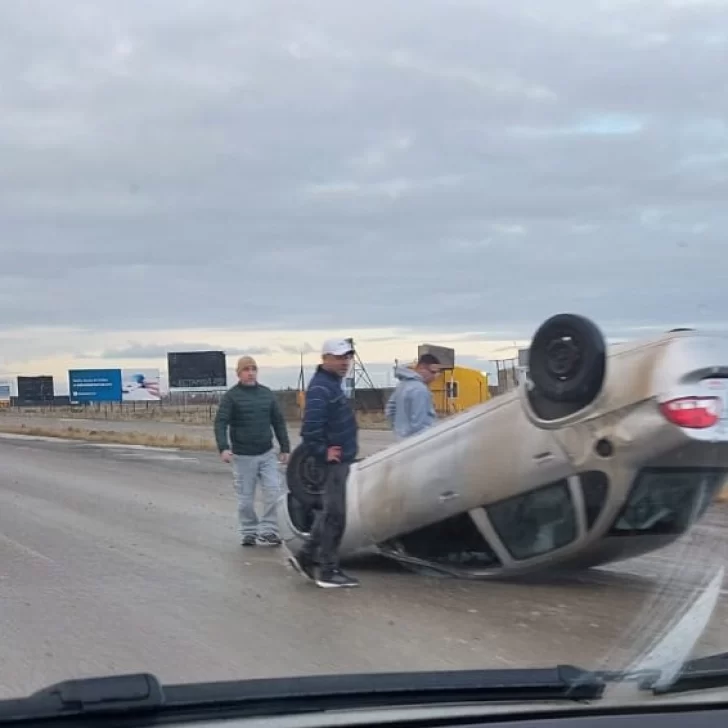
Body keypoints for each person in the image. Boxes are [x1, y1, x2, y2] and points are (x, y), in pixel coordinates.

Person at [286, 338, 360, 588]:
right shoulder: (321, 389)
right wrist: (323, 452)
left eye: (347, 358)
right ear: (325, 359)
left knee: (330, 514)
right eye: (339, 358)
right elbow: (309, 430)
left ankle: (306, 557)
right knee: (335, 517)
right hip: (331, 465)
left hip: (341, 461)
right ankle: (328, 572)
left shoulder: (332, 385)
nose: (344, 363)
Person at [214, 355, 291, 547]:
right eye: (246, 370)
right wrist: (223, 448)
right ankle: (249, 531)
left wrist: (285, 448)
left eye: (253, 369)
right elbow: (220, 423)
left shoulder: (266, 394)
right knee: (245, 500)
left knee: (273, 492)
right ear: (239, 373)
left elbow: (278, 421)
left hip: (266, 453)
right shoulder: (231, 397)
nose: (250, 373)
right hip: (243, 456)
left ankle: (269, 530)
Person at [385, 353, 441, 439]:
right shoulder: (420, 389)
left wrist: (399, 430)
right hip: (418, 444)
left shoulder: (402, 385)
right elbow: (420, 424)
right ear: (422, 368)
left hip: (401, 440)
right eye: (433, 372)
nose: (434, 376)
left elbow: (390, 410)